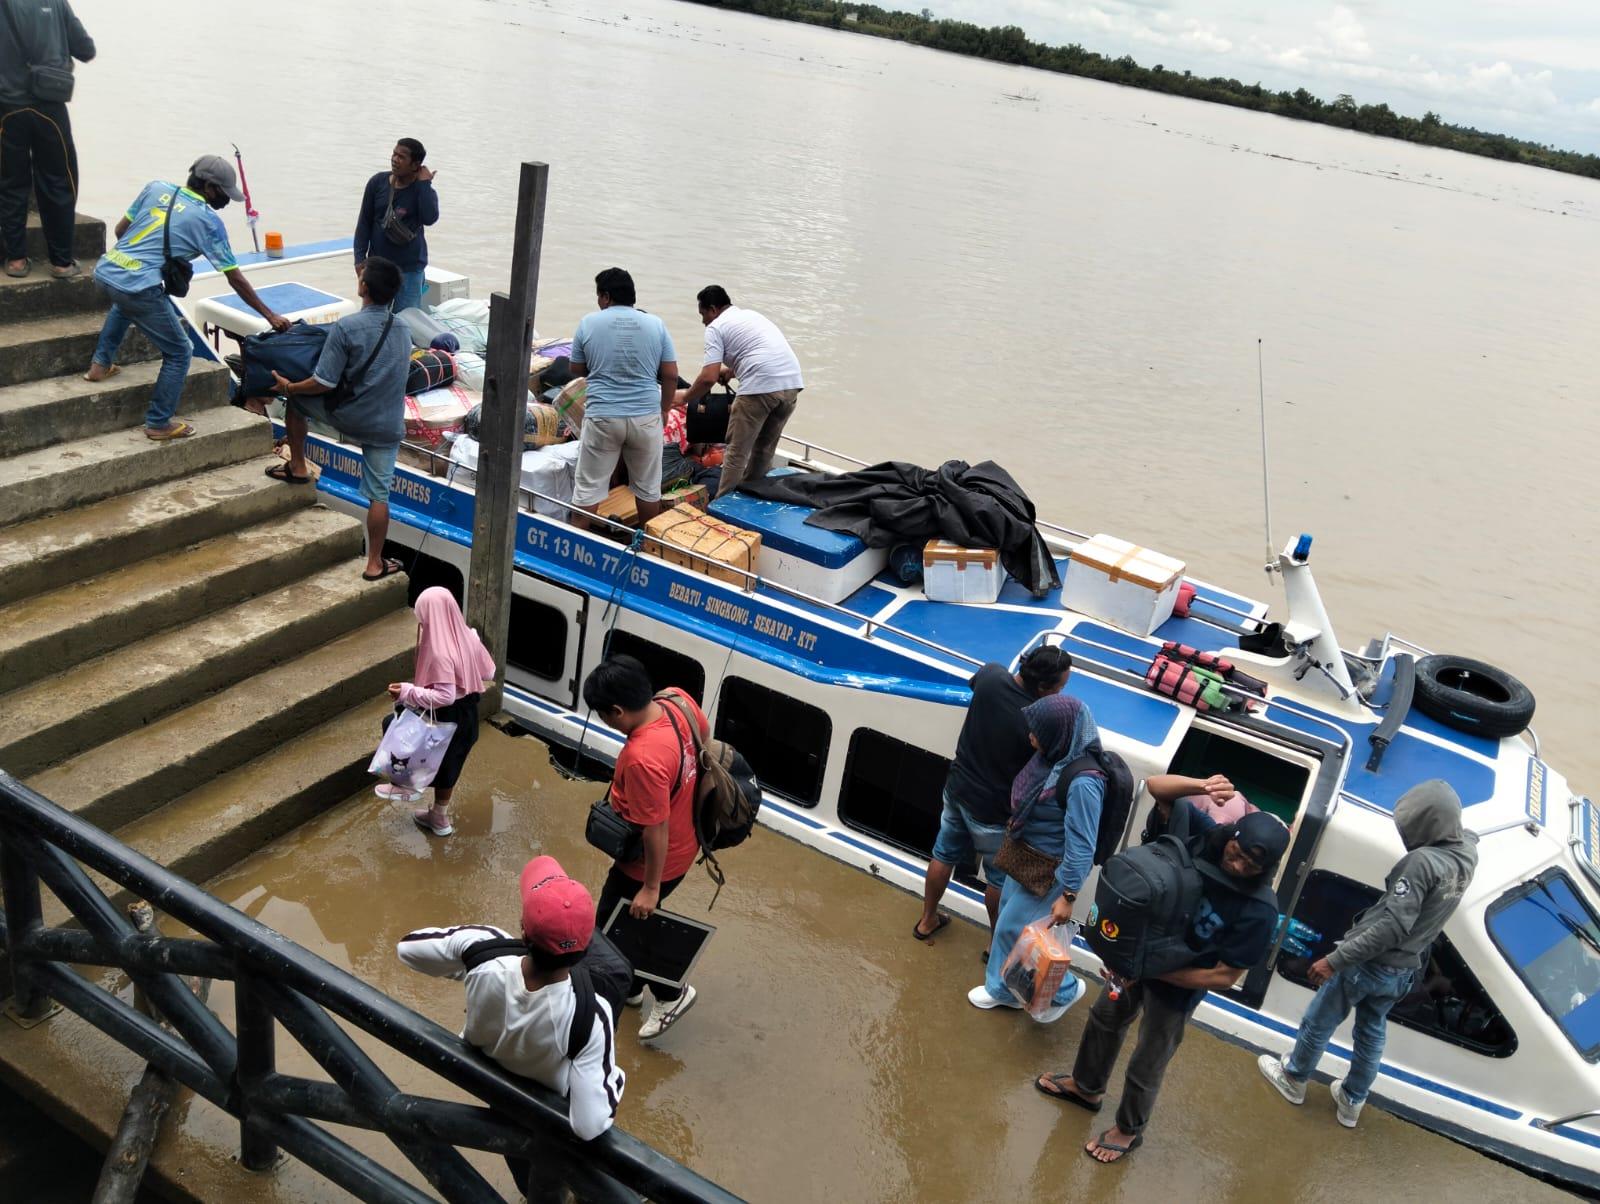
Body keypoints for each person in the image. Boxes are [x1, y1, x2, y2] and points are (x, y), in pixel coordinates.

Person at [1033, 782, 1288, 1165]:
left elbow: (1224, 976)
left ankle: (1128, 1130)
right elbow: (1158, 788)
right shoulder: (1208, 837)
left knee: (1149, 1057)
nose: (1237, 867)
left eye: (1251, 866)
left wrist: (1148, 971)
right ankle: (1086, 1089)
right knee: (1104, 1019)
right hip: (1138, 957)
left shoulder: (1260, 910)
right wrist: (1203, 785)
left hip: (1180, 985)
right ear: (1231, 838)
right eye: (1236, 854)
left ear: (1266, 868)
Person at [397, 855, 627, 1199]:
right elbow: (589, 1123)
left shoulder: (484, 950)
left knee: (518, 1155)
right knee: (552, 1171)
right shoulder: (592, 1014)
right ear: (586, 949)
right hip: (547, 1110)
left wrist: (466, 964)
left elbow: (408, 950)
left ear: (522, 928)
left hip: (496, 1087)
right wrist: (615, 1079)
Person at [1258, 779, 1478, 1127]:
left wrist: (1336, 960)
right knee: (1371, 1032)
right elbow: (1471, 836)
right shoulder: (1467, 853)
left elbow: (1392, 926)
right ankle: (1352, 1100)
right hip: (1404, 970)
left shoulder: (1421, 863)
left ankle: (1294, 1077)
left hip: (1369, 965)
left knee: (1319, 1020)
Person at [85, 157, 289, 440]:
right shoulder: (208, 222)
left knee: (124, 303)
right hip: (138, 287)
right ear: (209, 187)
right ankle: (158, 423)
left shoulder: (155, 188)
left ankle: (100, 366)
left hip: (106, 271)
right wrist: (270, 315)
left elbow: (121, 231)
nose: (226, 202)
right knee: (180, 351)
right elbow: (235, 278)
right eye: (224, 194)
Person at [581, 655, 706, 1040]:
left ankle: (671, 993)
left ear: (617, 712)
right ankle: (631, 988)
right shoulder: (677, 701)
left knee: (610, 930)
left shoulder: (642, 758)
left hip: (650, 863)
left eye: (604, 716)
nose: (606, 722)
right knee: (629, 923)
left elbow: (655, 829)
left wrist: (650, 887)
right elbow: (704, 744)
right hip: (687, 842)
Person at [914, 647, 1073, 941]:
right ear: (1043, 687)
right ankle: (994, 946)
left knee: (943, 855)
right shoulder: (1038, 721)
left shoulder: (990, 674)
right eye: (1060, 687)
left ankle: (927, 921)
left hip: (957, 789)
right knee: (999, 880)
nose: (1061, 693)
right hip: (994, 813)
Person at [269, 256, 410, 580]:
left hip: (349, 417)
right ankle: (375, 564)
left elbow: (323, 382)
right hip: (387, 426)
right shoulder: (404, 328)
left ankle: (298, 466)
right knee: (379, 496)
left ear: (363, 288)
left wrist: (289, 387)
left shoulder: (346, 327)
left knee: (297, 402)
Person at [968, 693, 1104, 1021]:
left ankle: (1066, 990)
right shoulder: (1054, 758)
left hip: (1049, 872)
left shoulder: (1083, 784)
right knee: (1007, 920)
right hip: (1026, 856)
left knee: (1013, 930)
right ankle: (1004, 991)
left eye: (1038, 732)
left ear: (1059, 735)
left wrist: (1068, 895)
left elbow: (1083, 846)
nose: (1031, 737)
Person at [379, 586, 497, 835]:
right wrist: (464, 672)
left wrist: (407, 692)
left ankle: (405, 785)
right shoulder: (468, 637)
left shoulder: (439, 652)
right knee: (450, 764)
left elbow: (444, 697)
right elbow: (489, 672)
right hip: (468, 714)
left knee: (394, 726)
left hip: (446, 716)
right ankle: (439, 817)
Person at [568, 268, 677, 530]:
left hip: (603, 417)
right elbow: (671, 375)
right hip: (646, 418)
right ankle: (647, 546)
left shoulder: (588, 323)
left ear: (606, 296)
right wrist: (664, 409)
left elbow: (576, 369)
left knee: (588, 491)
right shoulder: (656, 324)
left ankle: (575, 543)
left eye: (599, 296)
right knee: (648, 489)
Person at [676, 286, 804, 498]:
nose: (703, 321)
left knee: (736, 453)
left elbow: (708, 377)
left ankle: (722, 506)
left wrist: (685, 396)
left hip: (760, 389)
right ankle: (751, 500)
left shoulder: (716, 327)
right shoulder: (751, 316)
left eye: (703, 314)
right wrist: (731, 372)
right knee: (764, 450)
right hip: (792, 385)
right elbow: (761, 353)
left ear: (713, 309)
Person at [0, 0, 93, 278]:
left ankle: (16, 261)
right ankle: (62, 263)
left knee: (10, 182)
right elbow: (86, 50)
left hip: (8, 107)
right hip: (50, 106)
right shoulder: (55, 2)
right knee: (59, 182)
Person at [353, 137, 437, 314]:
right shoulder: (377, 183)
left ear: (415, 165)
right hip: (377, 270)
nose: (394, 159)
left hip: (409, 270)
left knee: (407, 320)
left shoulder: (422, 190)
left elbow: (430, 218)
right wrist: (359, 259)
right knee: (373, 319)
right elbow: (364, 223)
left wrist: (425, 184)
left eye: (401, 157)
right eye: (394, 154)